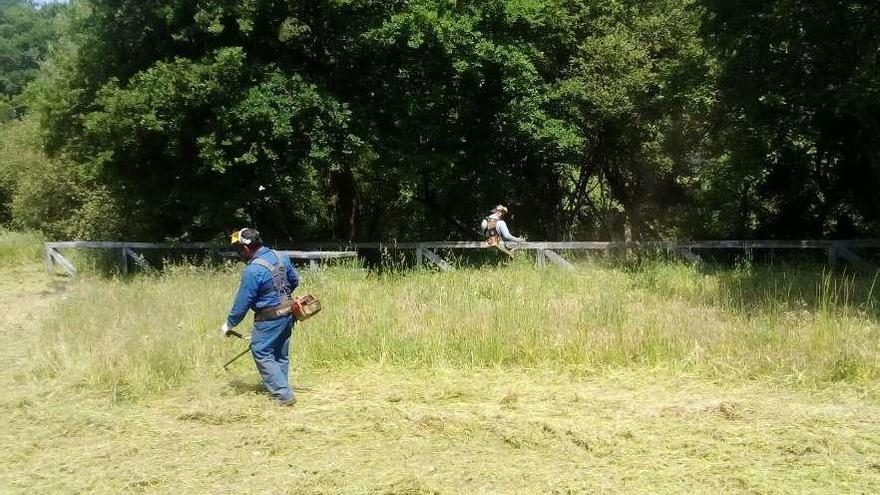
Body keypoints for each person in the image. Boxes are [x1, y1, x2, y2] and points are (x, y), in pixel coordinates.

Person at [220, 228, 300, 406]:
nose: (239, 253)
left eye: (239, 249)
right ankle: (281, 386)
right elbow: (294, 281)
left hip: (269, 318)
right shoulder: (280, 256)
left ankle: (283, 394)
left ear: (246, 248)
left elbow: (243, 302)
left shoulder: (253, 270)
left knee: (262, 352)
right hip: (288, 312)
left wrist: (229, 324)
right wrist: (282, 298)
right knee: (279, 352)